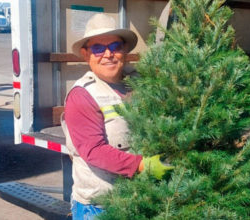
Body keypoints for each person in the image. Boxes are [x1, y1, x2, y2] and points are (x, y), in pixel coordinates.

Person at [61, 13, 173, 220]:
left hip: (139, 198)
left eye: (114, 46)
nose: (108, 54)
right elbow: (94, 150)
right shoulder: (82, 95)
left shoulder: (139, 83)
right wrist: (142, 165)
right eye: (97, 48)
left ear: (124, 51)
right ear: (86, 54)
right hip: (99, 207)